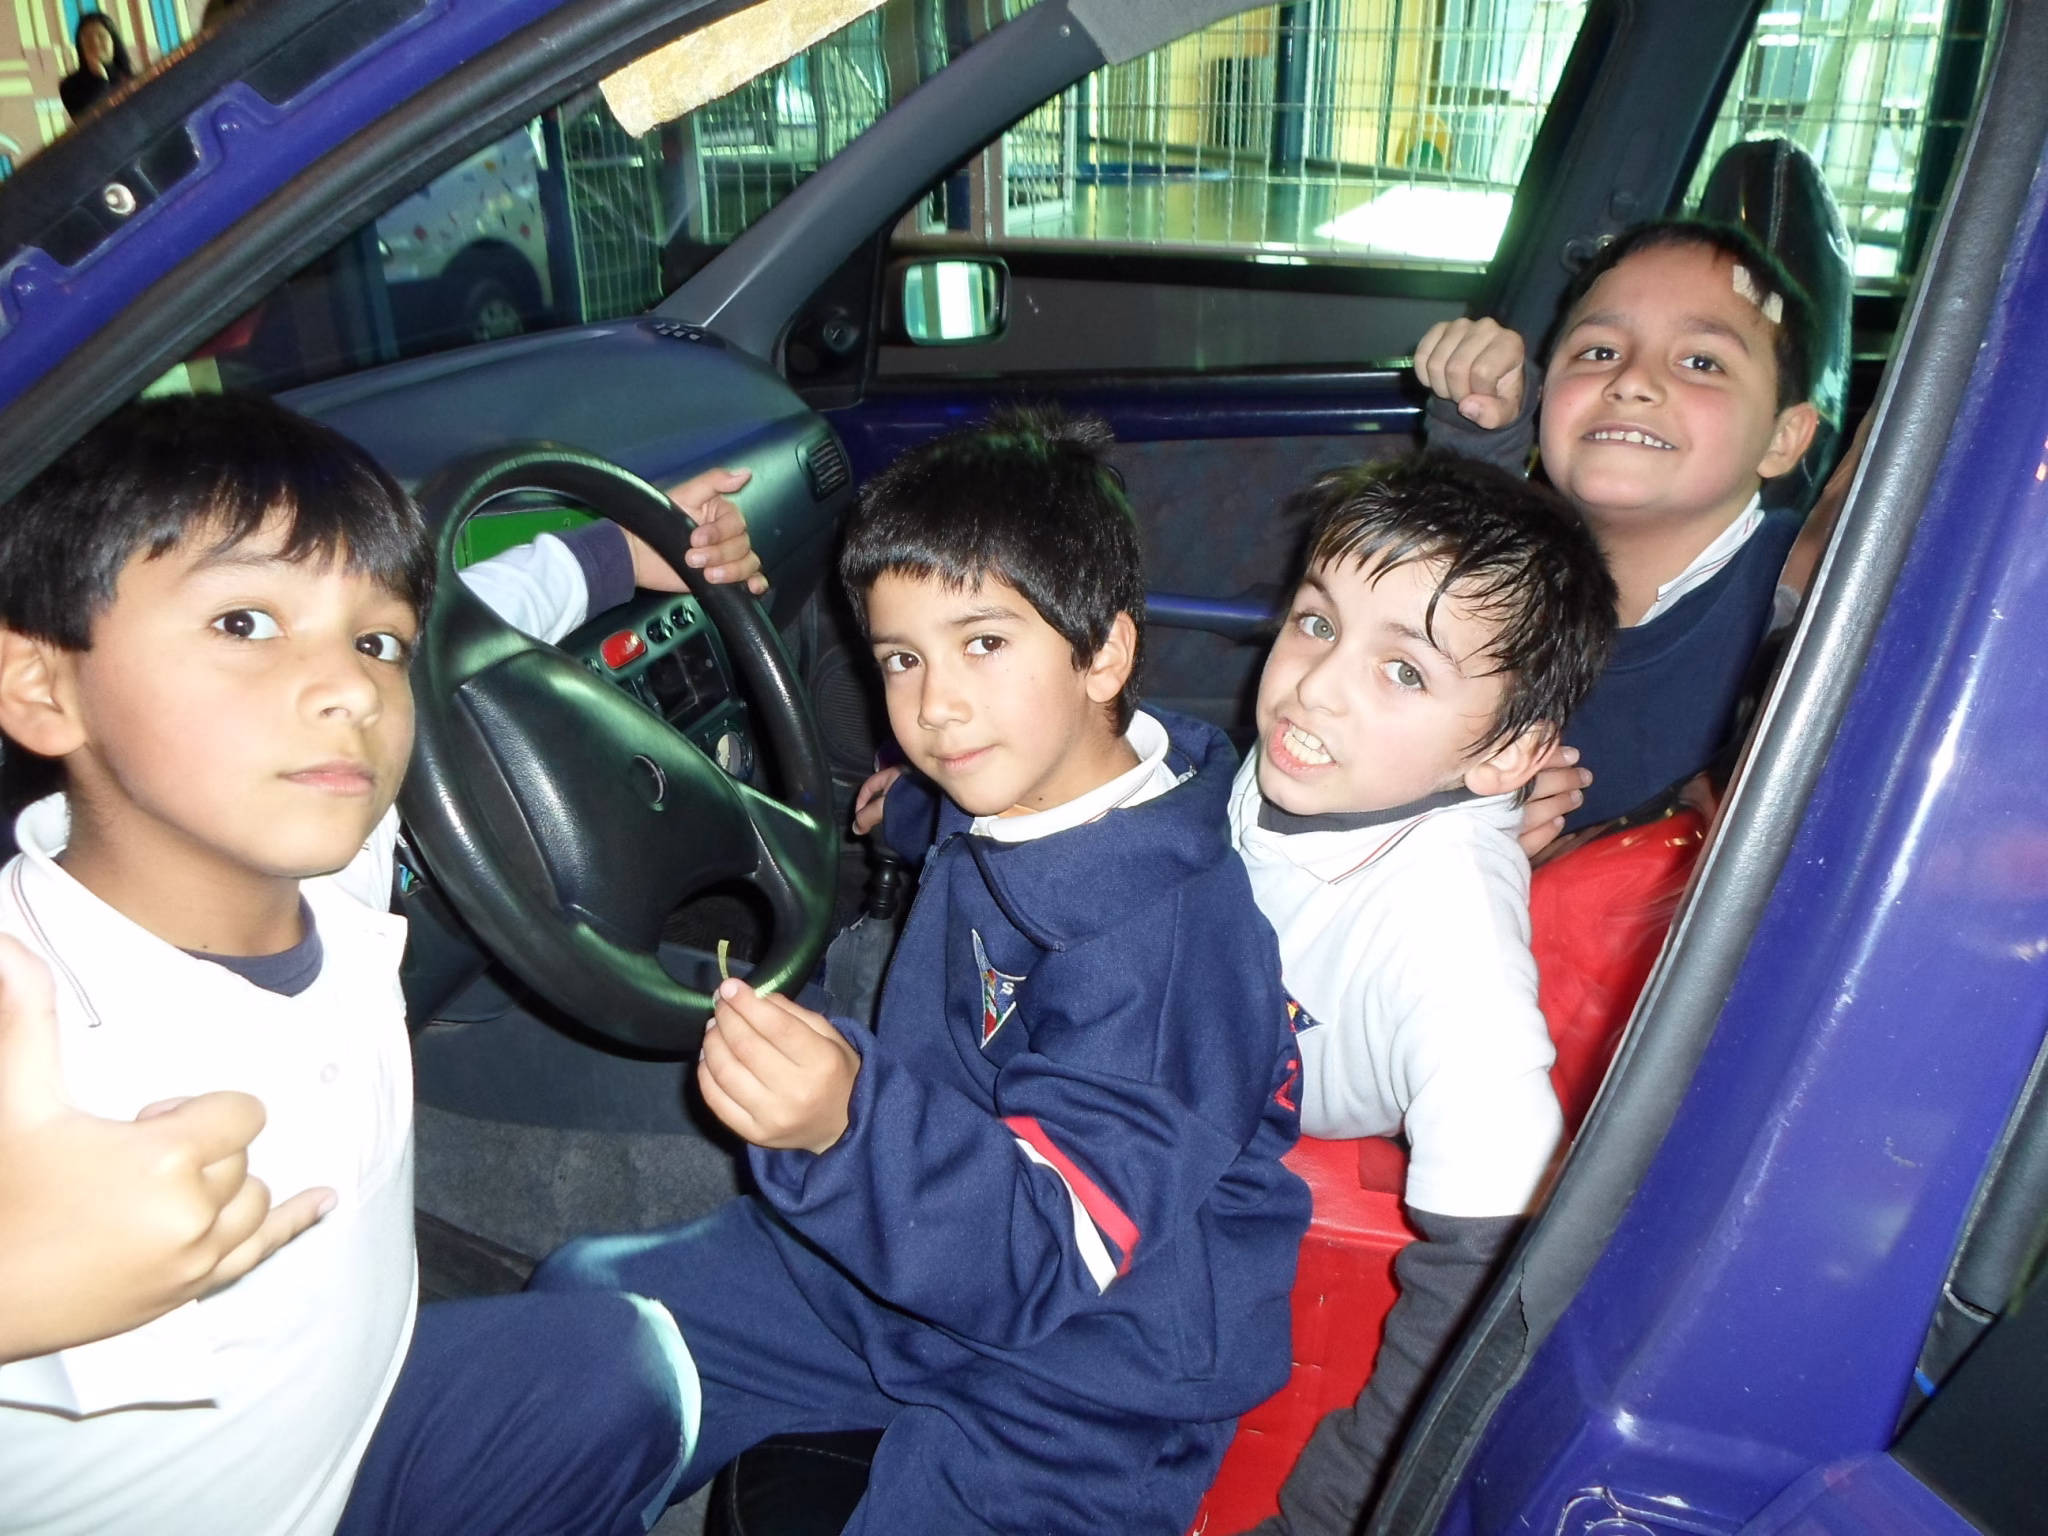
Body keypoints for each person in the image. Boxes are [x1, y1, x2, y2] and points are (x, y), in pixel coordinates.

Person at [531, 409, 1311, 1535]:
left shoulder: (1168, 949)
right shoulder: (1023, 778)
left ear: (1103, 654)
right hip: (906, 1247)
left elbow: (1049, 1246)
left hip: (1088, 1368)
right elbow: (959, 826)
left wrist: (845, 1129)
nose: (934, 707)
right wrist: (904, 809)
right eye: (903, 658)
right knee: (582, 1319)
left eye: (982, 643)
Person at [0, 390, 763, 1536]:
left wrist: (619, 552)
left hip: (340, 1433)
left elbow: (460, 625)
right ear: (42, 687)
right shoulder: (28, 1022)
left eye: (374, 644)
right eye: (245, 623)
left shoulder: (328, 865)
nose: (353, 687)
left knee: (623, 1365)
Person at [1232, 453, 1616, 1535]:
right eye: (1316, 622)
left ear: (1505, 752)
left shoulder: (1452, 943)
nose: (1314, 684)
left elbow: (1493, 1274)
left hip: (1253, 1143)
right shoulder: (1326, 759)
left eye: (1402, 671)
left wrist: (1329, 1516)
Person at [1414, 219, 1822, 846]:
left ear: (1783, 438)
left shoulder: (1815, 601)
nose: (1631, 380)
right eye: (1599, 353)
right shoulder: (1506, 575)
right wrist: (1478, 432)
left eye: (1701, 362)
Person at [59, 12, 134, 124]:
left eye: (101, 36)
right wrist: (100, 81)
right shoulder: (70, 87)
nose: (95, 42)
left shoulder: (131, 80)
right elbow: (94, 121)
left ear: (113, 41)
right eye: (87, 38)